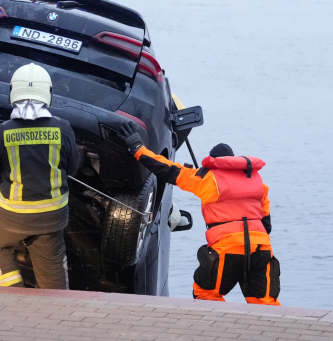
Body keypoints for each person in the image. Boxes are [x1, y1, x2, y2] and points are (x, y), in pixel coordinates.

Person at [114, 127, 280, 306]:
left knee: (206, 294)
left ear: (214, 161)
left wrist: (137, 147)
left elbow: (166, 169)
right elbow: (266, 223)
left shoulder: (207, 178)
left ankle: (216, 332)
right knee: (265, 302)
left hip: (227, 247)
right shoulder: (258, 184)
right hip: (261, 248)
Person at [0, 63, 79, 290]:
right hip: (53, 217)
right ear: (47, 93)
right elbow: (72, 168)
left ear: (13, 92)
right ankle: (56, 310)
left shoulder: (0, 131)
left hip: (12, 217)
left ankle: (12, 295)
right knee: (51, 267)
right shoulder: (63, 128)